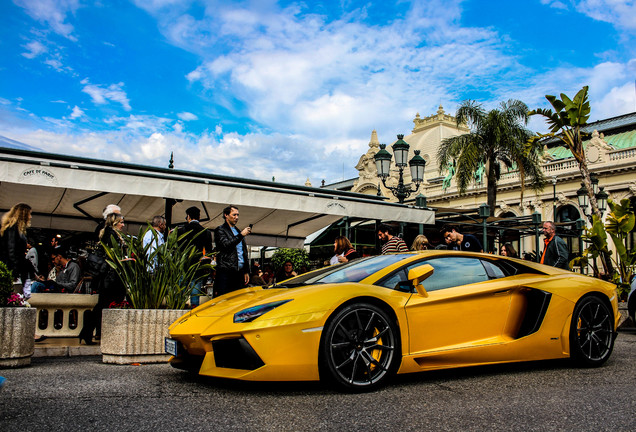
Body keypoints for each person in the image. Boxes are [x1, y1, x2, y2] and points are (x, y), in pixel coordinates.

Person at [82, 212, 127, 345]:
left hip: (108, 277)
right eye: (121, 222)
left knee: (103, 305)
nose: (123, 225)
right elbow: (111, 256)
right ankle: (88, 331)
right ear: (114, 222)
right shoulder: (110, 234)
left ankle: (88, 331)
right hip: (110, 278)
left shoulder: (109, 233)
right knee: (104, 305)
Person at [213, 205, 251, 297]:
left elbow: (243, 252)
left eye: (237, 215)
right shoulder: (220, 230)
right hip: (226, 271)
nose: (236, 217)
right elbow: (225, 245)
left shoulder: (237, 231)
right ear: (226, 215)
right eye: (234, 215)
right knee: (225, 299)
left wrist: (246, 270)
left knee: (238, 300)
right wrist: (241, 235)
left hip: (239, 271)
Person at [179, 207, 213, 306]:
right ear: (199, 217)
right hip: (198, 267)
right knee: (195, 294)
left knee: (181, 292)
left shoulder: (181, 231)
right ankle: (194, 312)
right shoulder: (206, 232)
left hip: (183, 266)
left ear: (188, 217)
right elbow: (209, 252)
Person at [0, 203, 34, 293]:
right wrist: (15, 271)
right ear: (23, 214)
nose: (30, 217)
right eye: (29, 214)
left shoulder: (12, 228)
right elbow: (11, 251)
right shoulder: (13, 229)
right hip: (13, 270)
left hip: (12, 268)